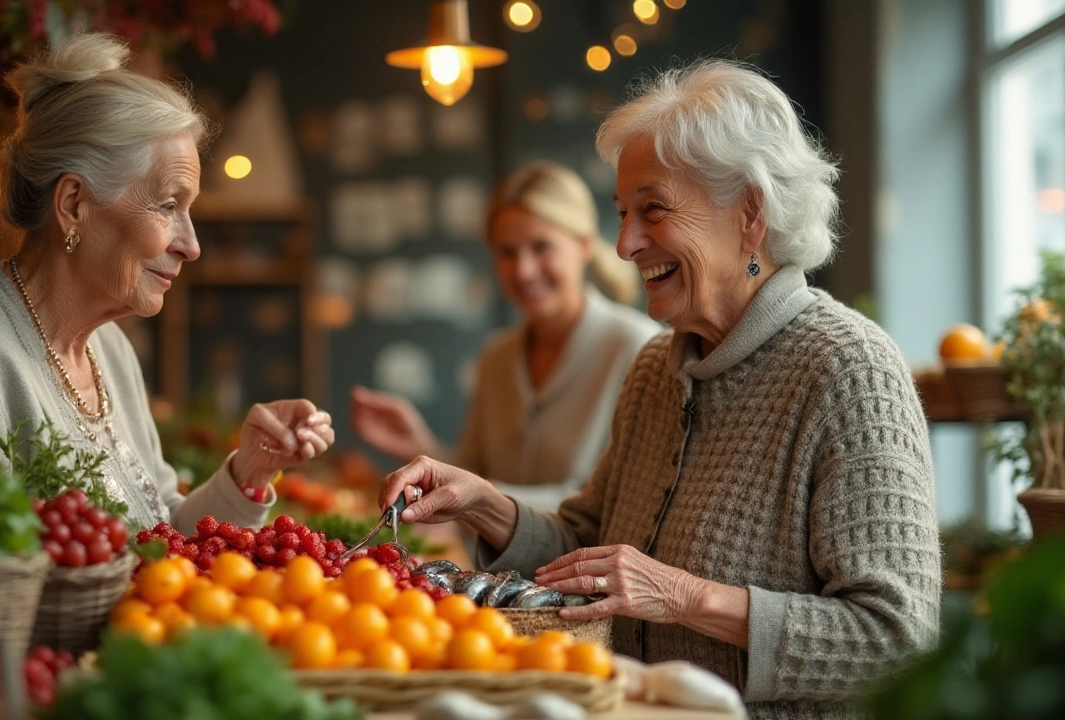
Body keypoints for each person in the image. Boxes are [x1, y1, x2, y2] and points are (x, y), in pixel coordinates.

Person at [378, 61, 941, 719]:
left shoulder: (849, 370)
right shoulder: (657, 368)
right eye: (622, 213)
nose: (623, 245)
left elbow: (899, 640)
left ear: (749, 213)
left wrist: (684, 596)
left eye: (653, 210)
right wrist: (484, 505)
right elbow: (588, 547)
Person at [0, 34, 334, 534]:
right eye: (167, 206)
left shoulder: (109, 347)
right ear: (73, 204)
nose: (192, 245)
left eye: (189, 210)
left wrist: (248, 471)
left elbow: (164, 533)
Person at [351, 162, 661, 510]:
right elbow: (475, 475)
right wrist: (420, 446)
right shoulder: (496, 356)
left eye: (542, 247)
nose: (524, 271)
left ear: (584, 245)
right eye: (507, 252)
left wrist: (486, 497)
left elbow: (618, 502)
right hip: (491, 566)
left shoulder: (639, 347)